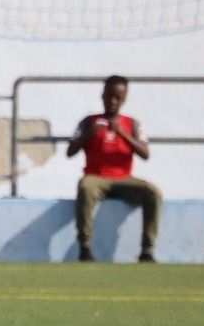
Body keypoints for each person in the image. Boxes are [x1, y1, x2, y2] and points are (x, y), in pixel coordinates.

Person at [66, 75, 163, 262]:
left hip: (124, 178)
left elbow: (145, 154)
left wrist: (122, 134)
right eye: (109, 96)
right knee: (85, 187)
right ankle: (85, 249)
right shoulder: (89, 121)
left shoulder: (132, 124)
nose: (113, 102)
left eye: (118, 98)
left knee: (153, 193)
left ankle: (147, 252)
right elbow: (70, 151)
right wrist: (89, 134)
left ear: (124, 99)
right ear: (102, 96)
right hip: (96, 177)